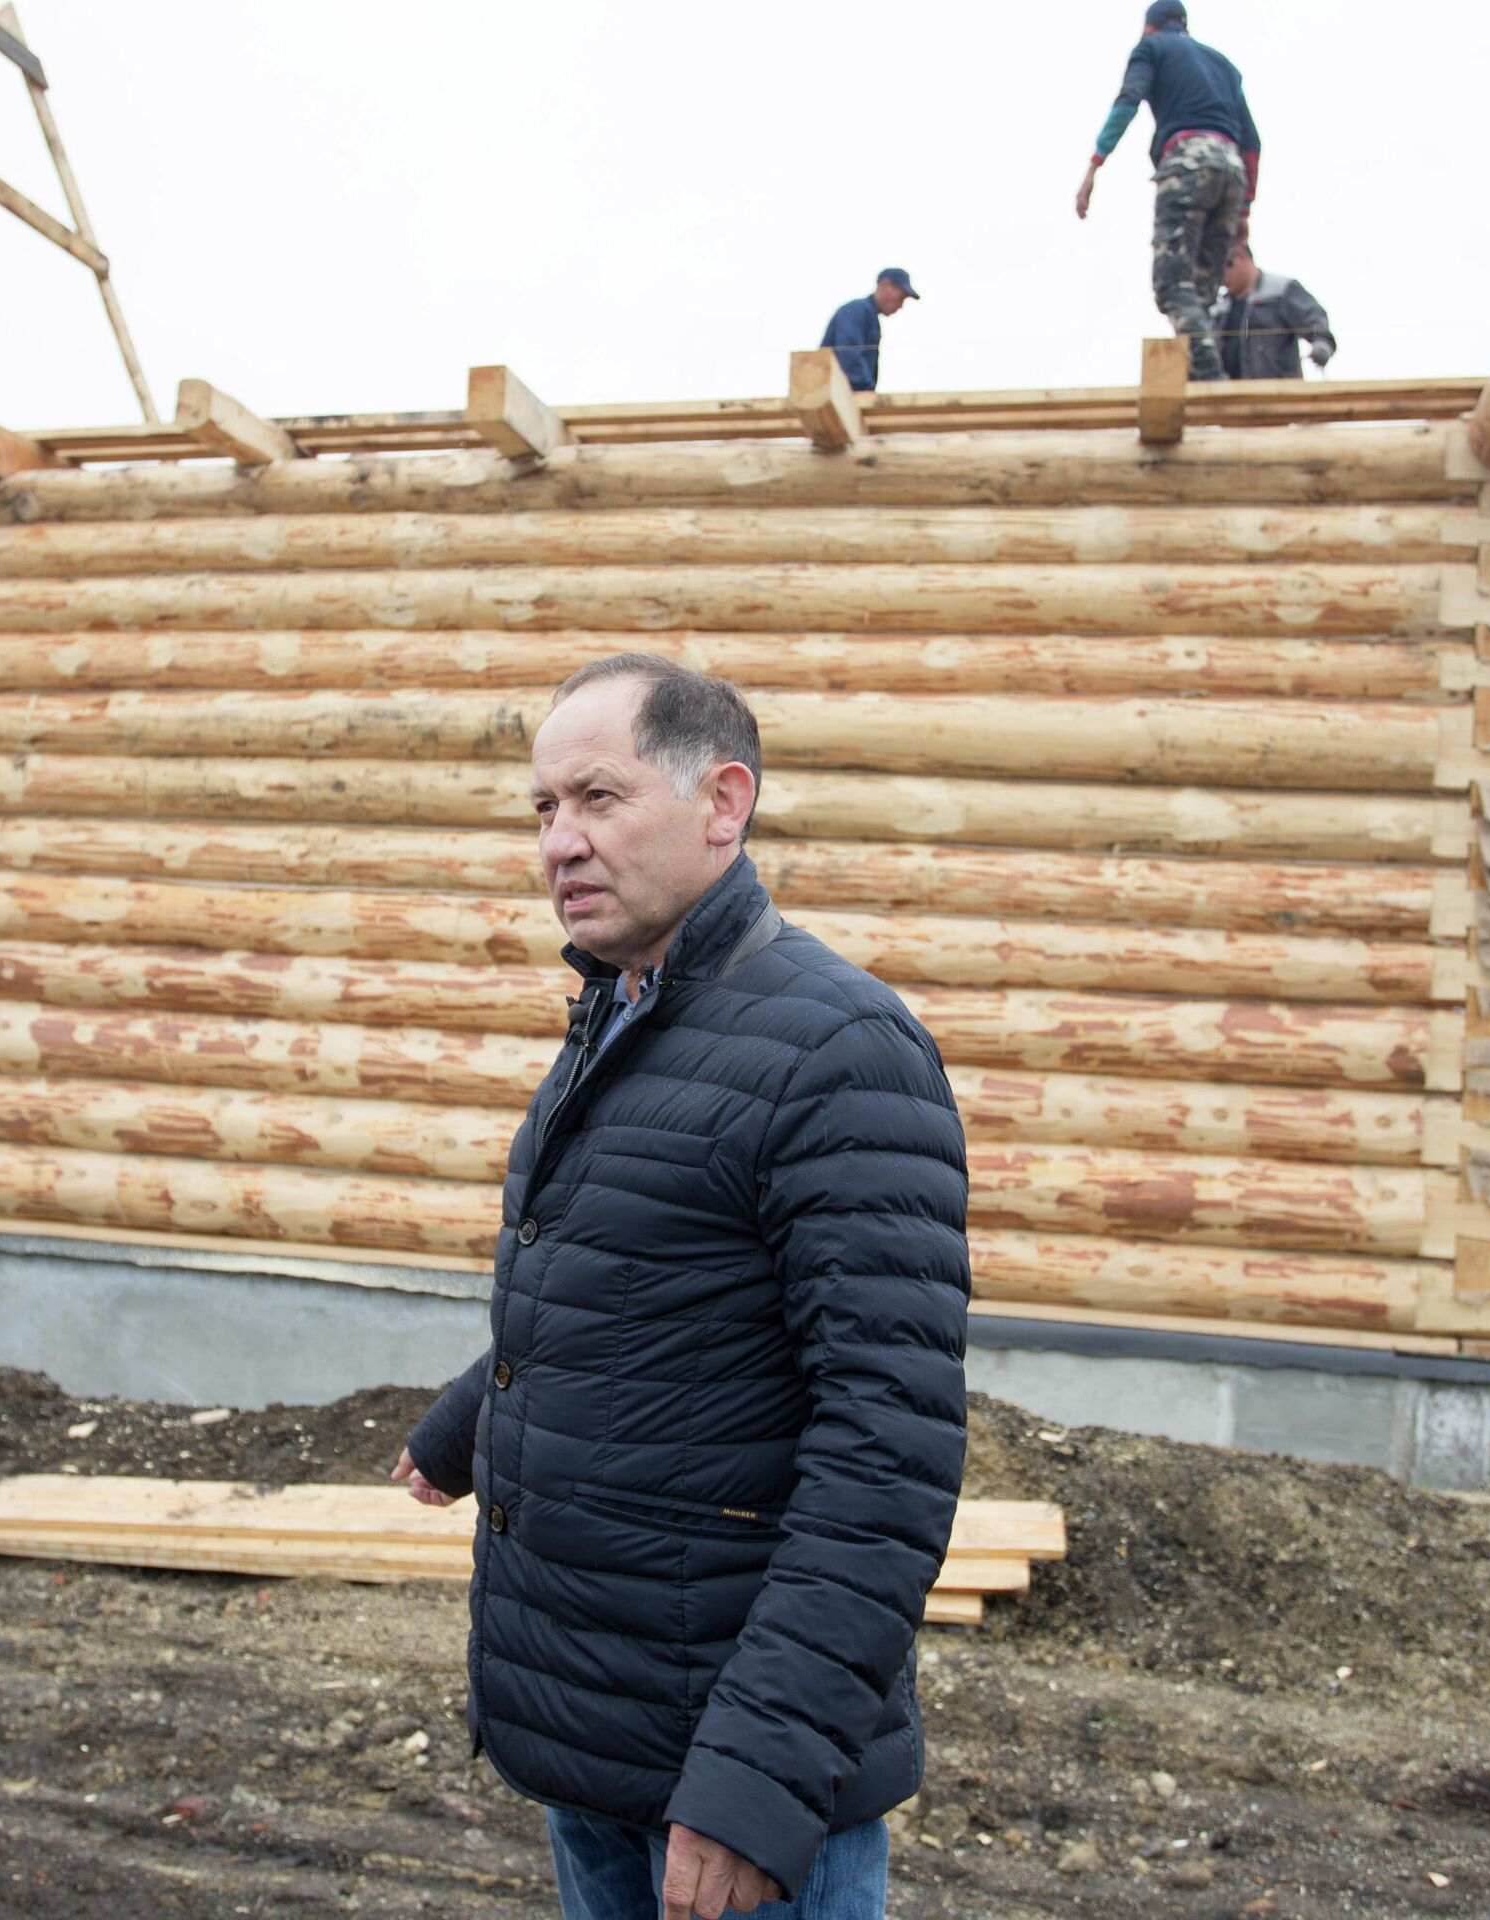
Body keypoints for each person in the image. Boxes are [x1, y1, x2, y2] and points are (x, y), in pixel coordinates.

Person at [391, 654, 970, 1920]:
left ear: (723, 802)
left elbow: (887, 1454)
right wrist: (469, 1423)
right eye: (543, 809)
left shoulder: (841, 1050)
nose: (558, 843)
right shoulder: (625, 1013)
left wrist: (757, 1781)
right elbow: (634, 1284)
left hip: (728, 1771)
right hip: (598, 1720)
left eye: (596, 798)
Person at [1075, 1, 1260, 380]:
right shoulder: (1223, 65)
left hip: (1187, 163)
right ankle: (1199, 374)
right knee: (1203, 291)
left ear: (1149, 27)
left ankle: (1209, 377)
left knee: (1172, 285)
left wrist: (1096, 162)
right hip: (1231, 170)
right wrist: (1243, 209)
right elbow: (1253, 143)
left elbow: (1129, 100)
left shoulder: (1151, 49)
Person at [1211, 243, 1336, 380]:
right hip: (1228, 395)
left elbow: (1314, 318)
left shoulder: (1280, 290)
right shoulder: (1218, 307)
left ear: (1241, 258)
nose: (1220, 279)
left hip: (1278, 394)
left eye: (1222, 269)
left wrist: (1322, 345)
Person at [819, 269, 920, 392]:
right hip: (834, 393)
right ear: (885, 285)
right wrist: (865, 390)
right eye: (901, 298)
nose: (900, 305)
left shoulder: (870, 318)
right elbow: (849, 351)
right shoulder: (858, 309)